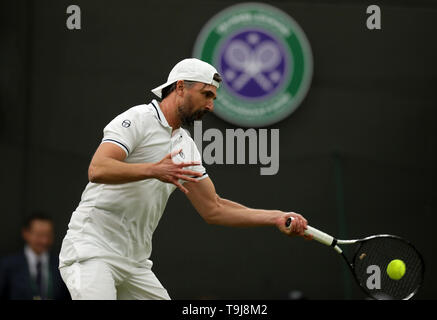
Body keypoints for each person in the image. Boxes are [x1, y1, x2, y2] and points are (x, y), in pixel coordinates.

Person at [58, 58, 311, 300]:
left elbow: (214, 208)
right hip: (91, 250)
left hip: (135, 263)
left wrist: (275, 217)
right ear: (180, 87)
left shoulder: (186, 146)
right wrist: (153, 170)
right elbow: (98, 169)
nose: (211, 105)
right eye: (206, 94)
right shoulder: (137, 118)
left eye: (213, 97)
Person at [0, 212, 70, 300]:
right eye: (39, 235)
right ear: (26, 233)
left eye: (48, 235)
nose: (44, 241)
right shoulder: (8, 265)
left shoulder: (61, 264)